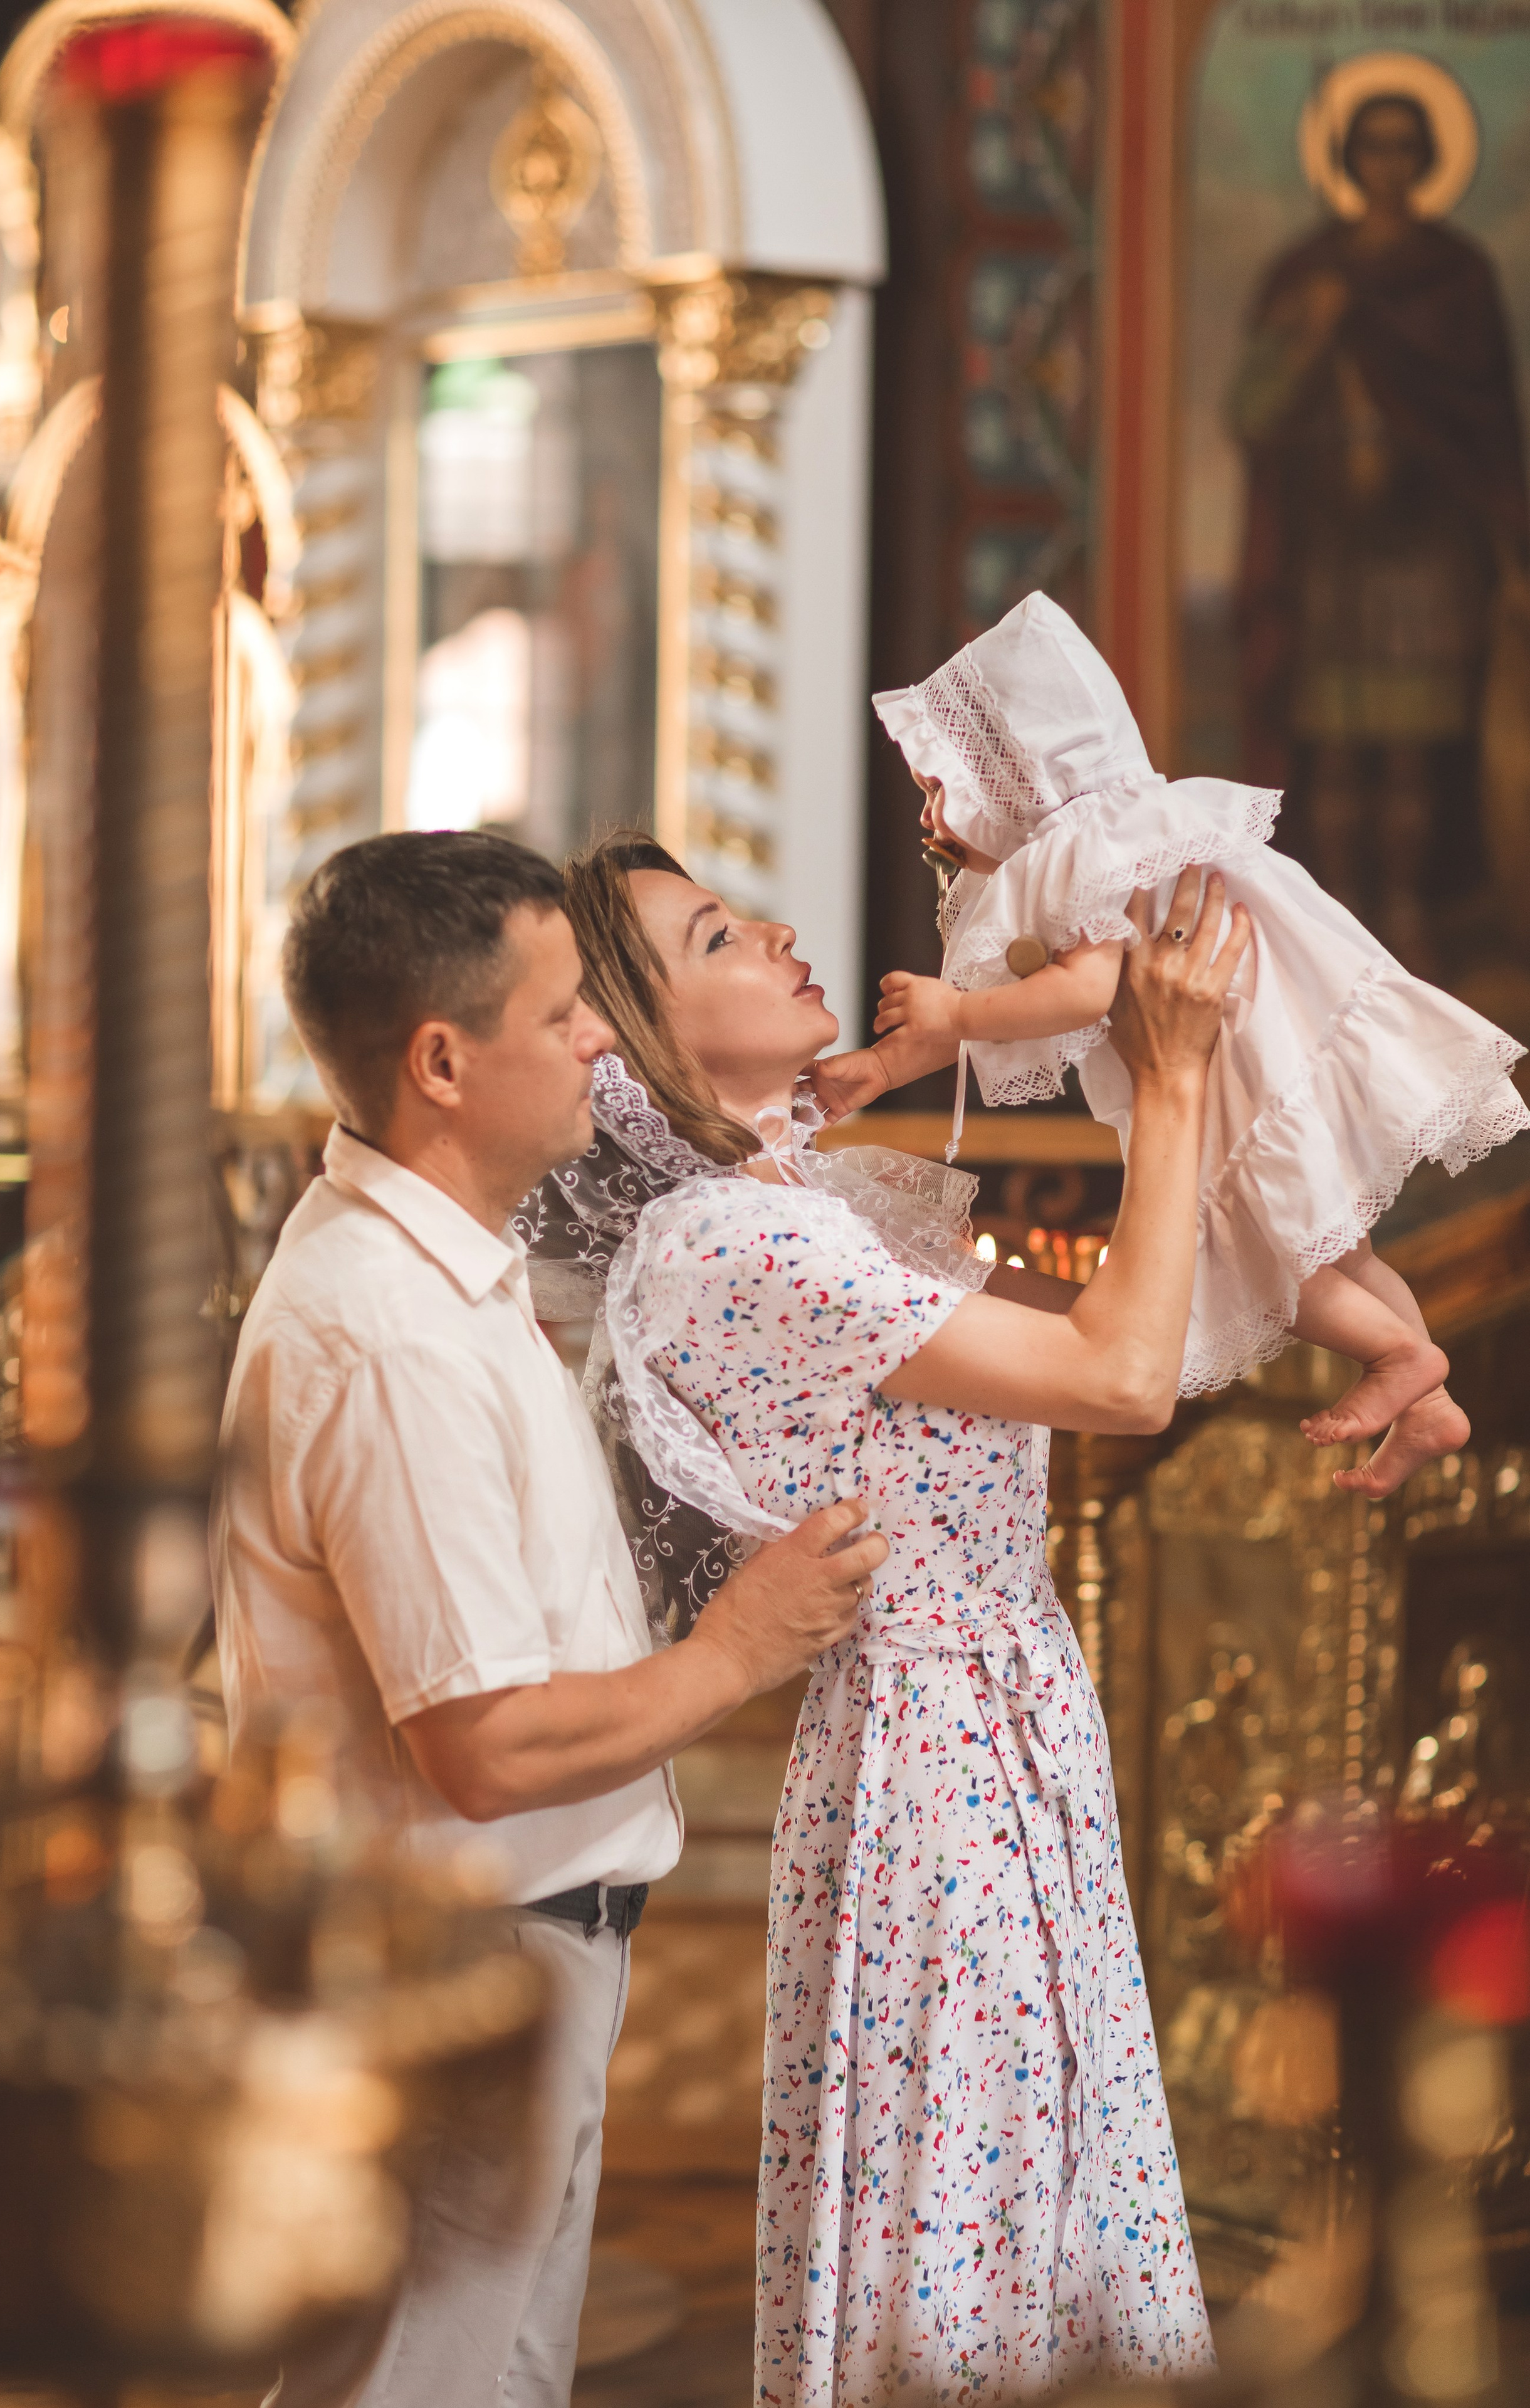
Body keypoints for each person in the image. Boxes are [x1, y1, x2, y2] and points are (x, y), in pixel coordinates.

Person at [527, 829, 1247, 2402]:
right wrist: (1173, 1068)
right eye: (717, 938)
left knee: (1034, 2202)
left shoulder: (796, 1204)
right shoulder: (734, 1244)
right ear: (641, 1041)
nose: (780, 933)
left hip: (986, 1726)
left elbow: (1121, 1312)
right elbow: (1120, 1376)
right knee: (982, 2245)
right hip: (944, 1766)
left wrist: (1025, 933)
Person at [209, 829, 886, 2408]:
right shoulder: (387, 1334)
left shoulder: (447, 1275)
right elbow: (487, 1746)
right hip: (440, 1975)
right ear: (441, 1060)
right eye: (566, 1007)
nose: (600, 1035)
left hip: (497, 1967)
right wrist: (739, 1644)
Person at [815, 591, 1530, 1498]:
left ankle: (1395, 1353)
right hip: (1251, 1041)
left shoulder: (1086, 846)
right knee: (1338, 1250)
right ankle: (1424, 1389)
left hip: (1229, 1058)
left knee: (1263, 1249)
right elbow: (1009, 1000)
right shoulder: (1104, 836)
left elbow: (1086, 989)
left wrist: (954, 1017)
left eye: (939, 786)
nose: (929, 815)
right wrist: (880, 1066)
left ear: (1022, 776)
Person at [1230, 88, 1530, 972]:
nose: (1389, 163)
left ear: (1428, 155)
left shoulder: (1458, 275)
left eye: (1406, 146)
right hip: (1332, 547)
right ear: (1352, 160)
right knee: (1334, 751)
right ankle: (1335, 914)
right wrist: (1308, 334)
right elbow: (1252, 411)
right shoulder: (1306, 272)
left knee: (1407, 754)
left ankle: (1404, 912)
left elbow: (1487, 425)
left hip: (1426, 547)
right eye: (1372, 146)